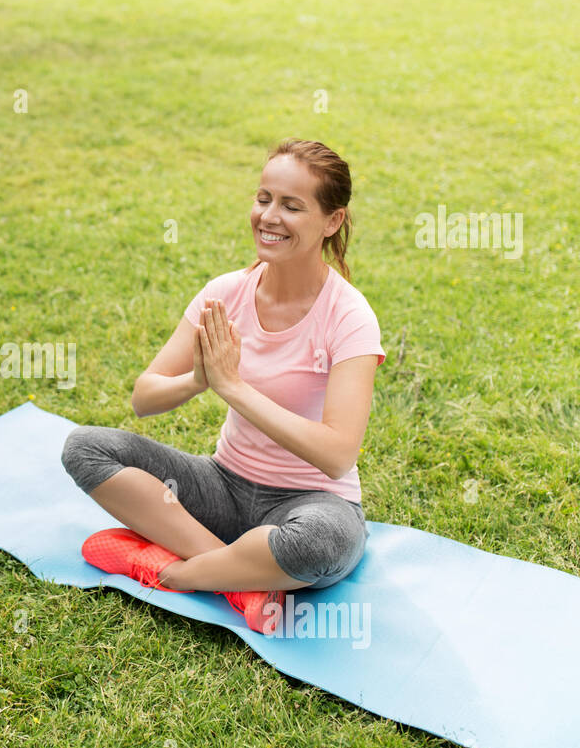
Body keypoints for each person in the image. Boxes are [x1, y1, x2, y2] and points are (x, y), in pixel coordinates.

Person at [61, 139, 386, 633]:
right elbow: (144, 398)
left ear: (332, 221)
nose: (269, 217)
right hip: (223, 489)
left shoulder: (349, 317)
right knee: (86, 448)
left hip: (309, 503)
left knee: (321, 547)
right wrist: (198, 379)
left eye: (292, 206)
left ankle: (177, 572)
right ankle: (238, 577)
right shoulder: (225, 294)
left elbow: (338, 454)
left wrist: (233, 388)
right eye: (263, 199)